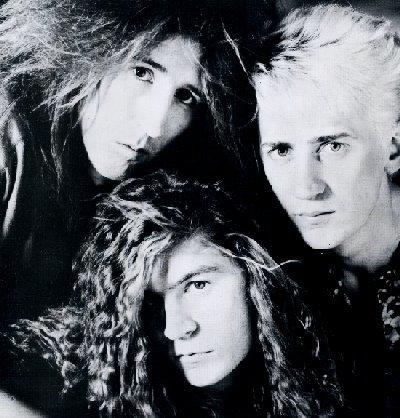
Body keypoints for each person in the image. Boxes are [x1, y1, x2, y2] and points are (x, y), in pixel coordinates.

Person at [0, 0, 268, 320]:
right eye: (142, 73)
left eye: (185, 97)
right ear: (88, 50)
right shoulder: (9, 135)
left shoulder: (163, 196)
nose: (155, 126)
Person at [3, 171, 341, 417]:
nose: (177, 327)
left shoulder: (321, 369)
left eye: (197, 286)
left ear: (253, 277)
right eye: (150, 302)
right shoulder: (82, 366)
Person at [253, 5, 400, 416]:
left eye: (333, 146)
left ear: (393, 148)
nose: (307, 188)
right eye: (281, 150)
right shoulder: (281, 281)